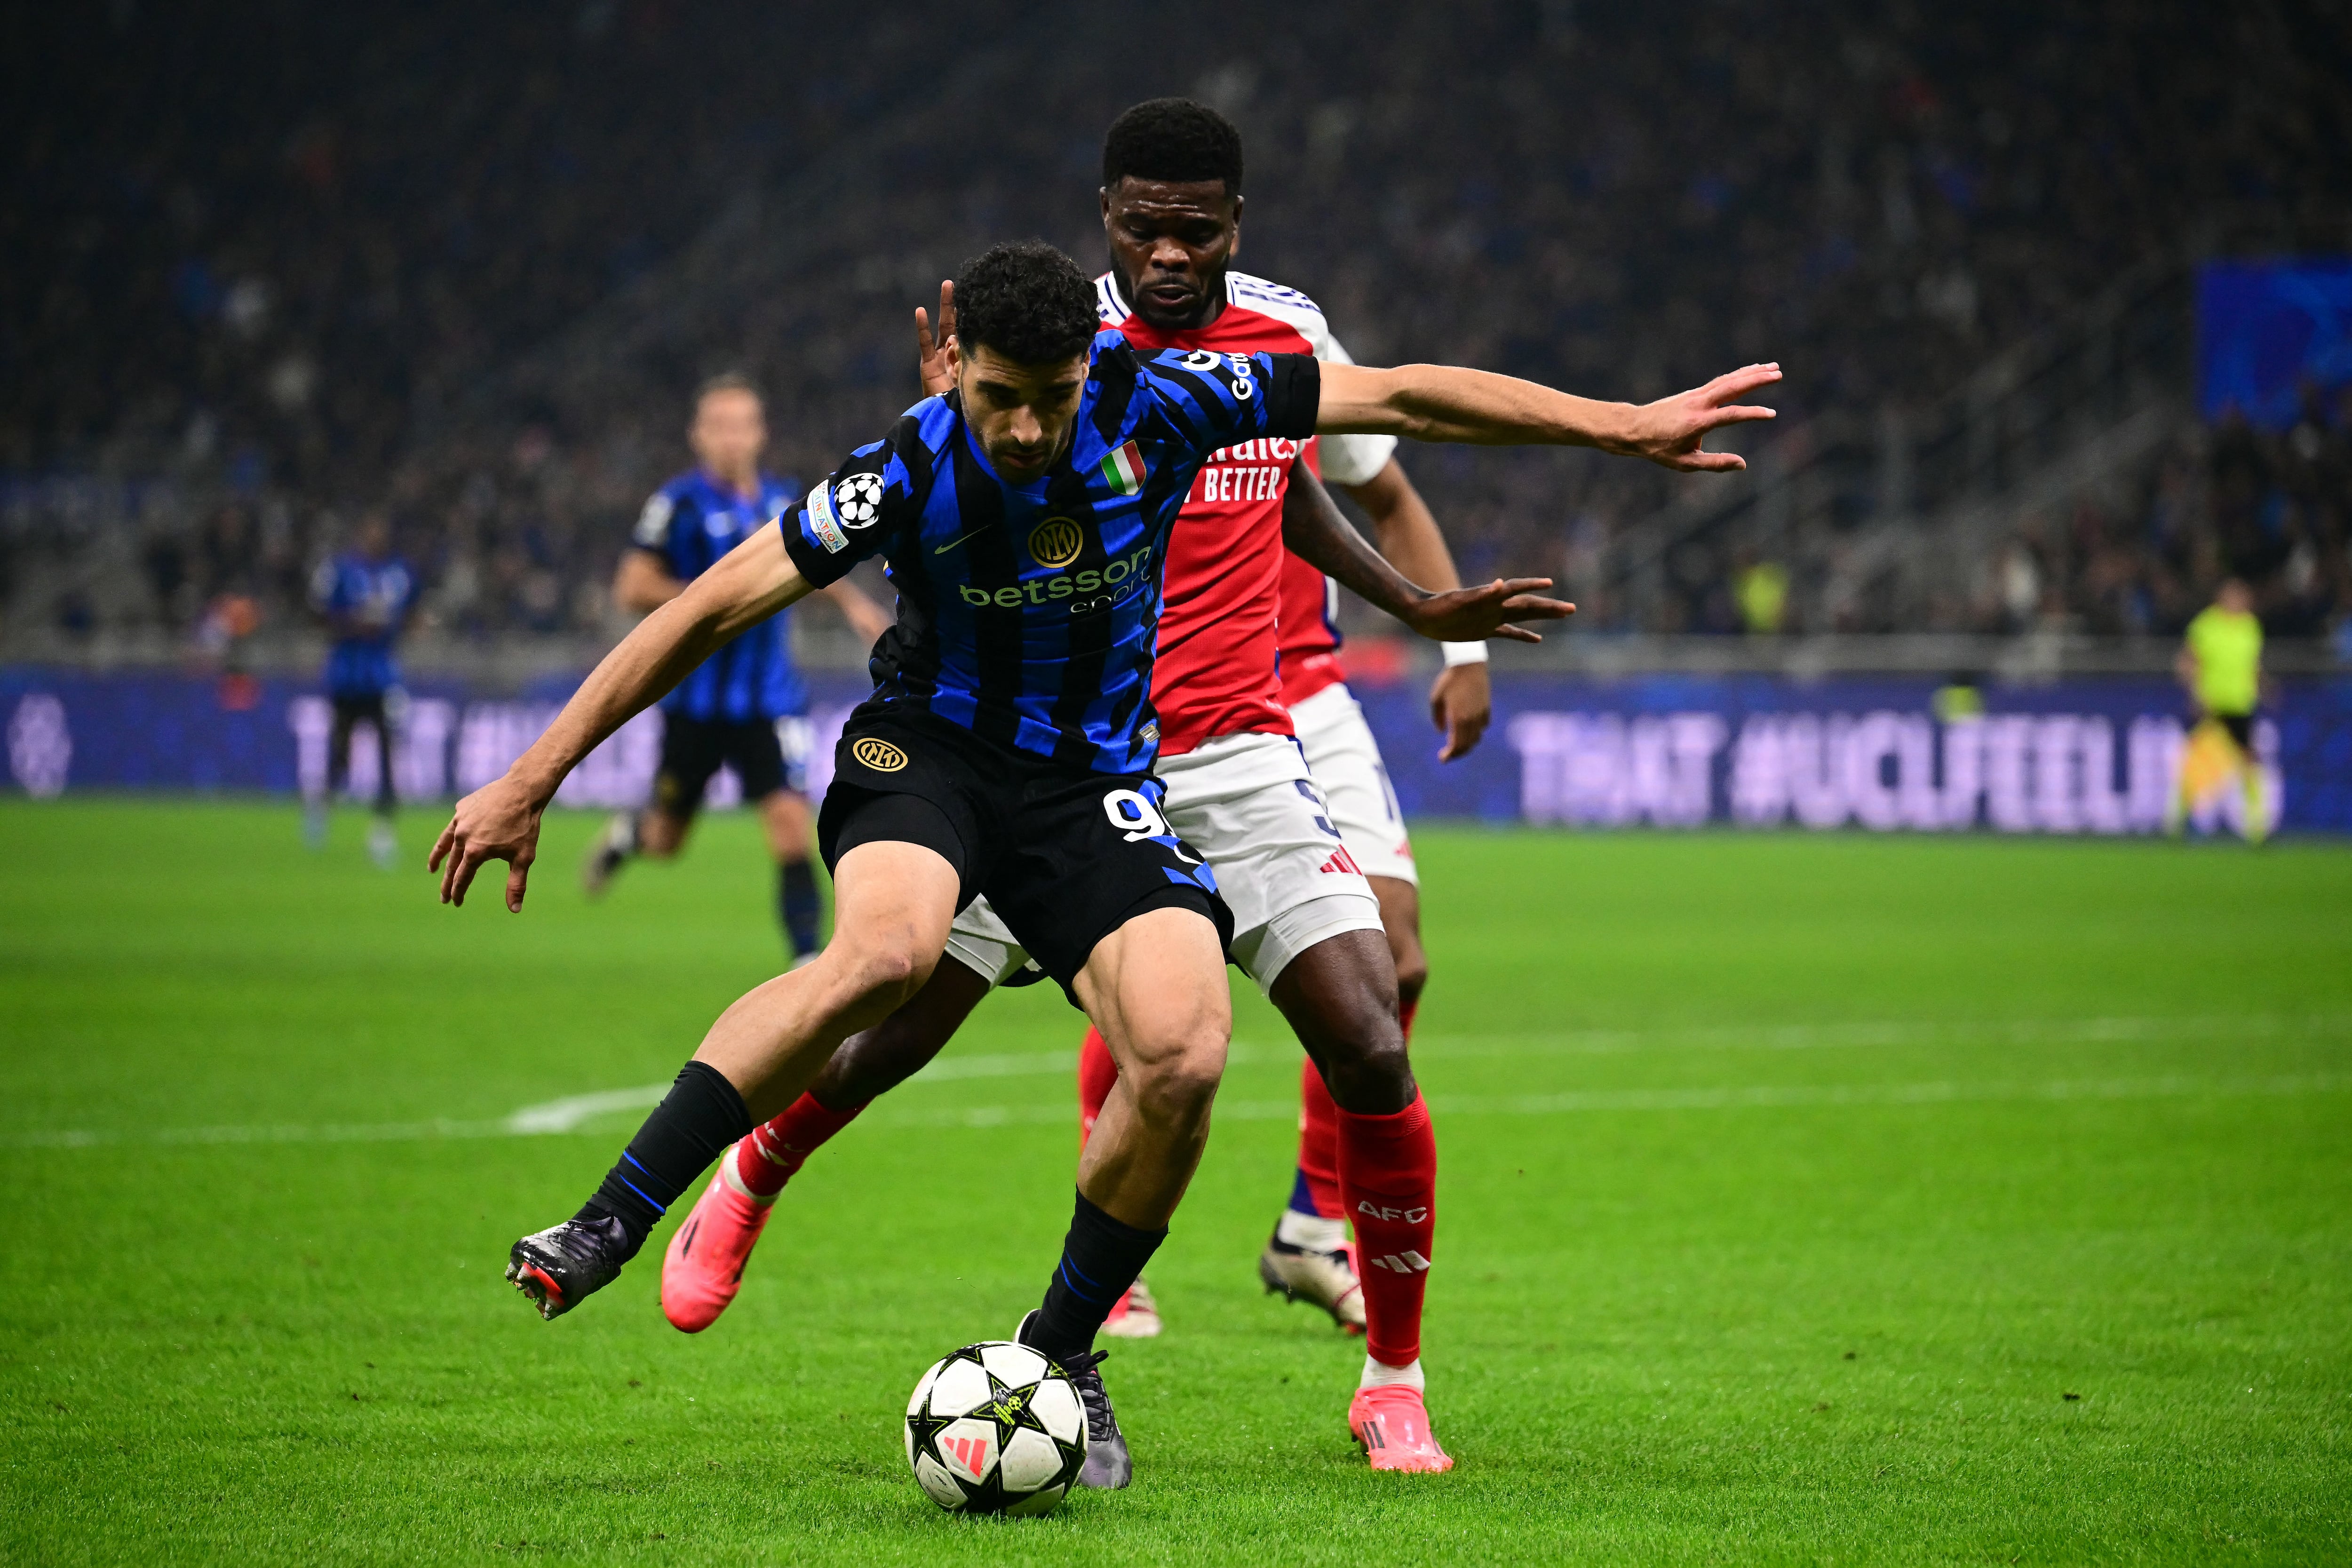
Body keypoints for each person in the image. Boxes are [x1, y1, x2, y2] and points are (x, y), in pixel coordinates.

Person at [431, 237, 1775, 1491]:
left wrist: (1623, 425)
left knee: (1185, 1051)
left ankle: (1060, 1343)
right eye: (1001, 398)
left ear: (1099, 367)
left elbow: (1406, 397)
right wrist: (529, 775)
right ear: (953, 366)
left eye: (1054, 398)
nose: (1026, 429)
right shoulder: (899, 470)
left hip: (1093, 789)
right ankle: (610, 1217)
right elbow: (709, 604)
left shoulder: (1174, 402)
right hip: (932, 759)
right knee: (886, 959)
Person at [678, 104, 1499, 1420]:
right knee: (893, 1032)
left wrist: (1424, 610)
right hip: (1048, 758)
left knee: (1368, 1024)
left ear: (1240, 220)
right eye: (1144, 226)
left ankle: (1384, 1375)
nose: (1172, 252)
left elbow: (1309, 472)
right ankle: (758, 1167)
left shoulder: (1282, 339)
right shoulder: (1051, 355)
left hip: (1238, 739)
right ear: (1107, 218)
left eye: (1199, 226)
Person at [582, 374, 892, 964]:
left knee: (789, 823)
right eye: (718, 426)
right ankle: (631, 834)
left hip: (770, 701)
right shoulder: (678, 503)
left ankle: (806, 964)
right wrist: (718, 596)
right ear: (698, 436)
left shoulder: (782, 500)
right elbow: (632, 585)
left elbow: (812, 564)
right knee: (668, 840)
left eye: (742, 425)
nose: (731, 439)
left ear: (760, 434)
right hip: (693, 703)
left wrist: (854, 604)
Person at [306, 512, 414, 866]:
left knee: (387, 751)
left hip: (382, 676)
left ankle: (381, 833)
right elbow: (319, 614)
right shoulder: (341, 571)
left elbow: (409, 614)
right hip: (348, 675)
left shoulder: (397, 573)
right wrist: (355, 624)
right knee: (341, 753)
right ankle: (321, 807)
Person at [2167, 578, 2270, 842]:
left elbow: (2253, 664)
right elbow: (2188, 661)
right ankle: (2176, 820)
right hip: (2210, 705)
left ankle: (2256, 827)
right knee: (2196, 762)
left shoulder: (2250, 627)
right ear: (2221, 597)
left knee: (2249, 761)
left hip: (2240, 705)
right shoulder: (2206, 625)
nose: (2238, 601)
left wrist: (2263, 685)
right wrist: (2193, 690)